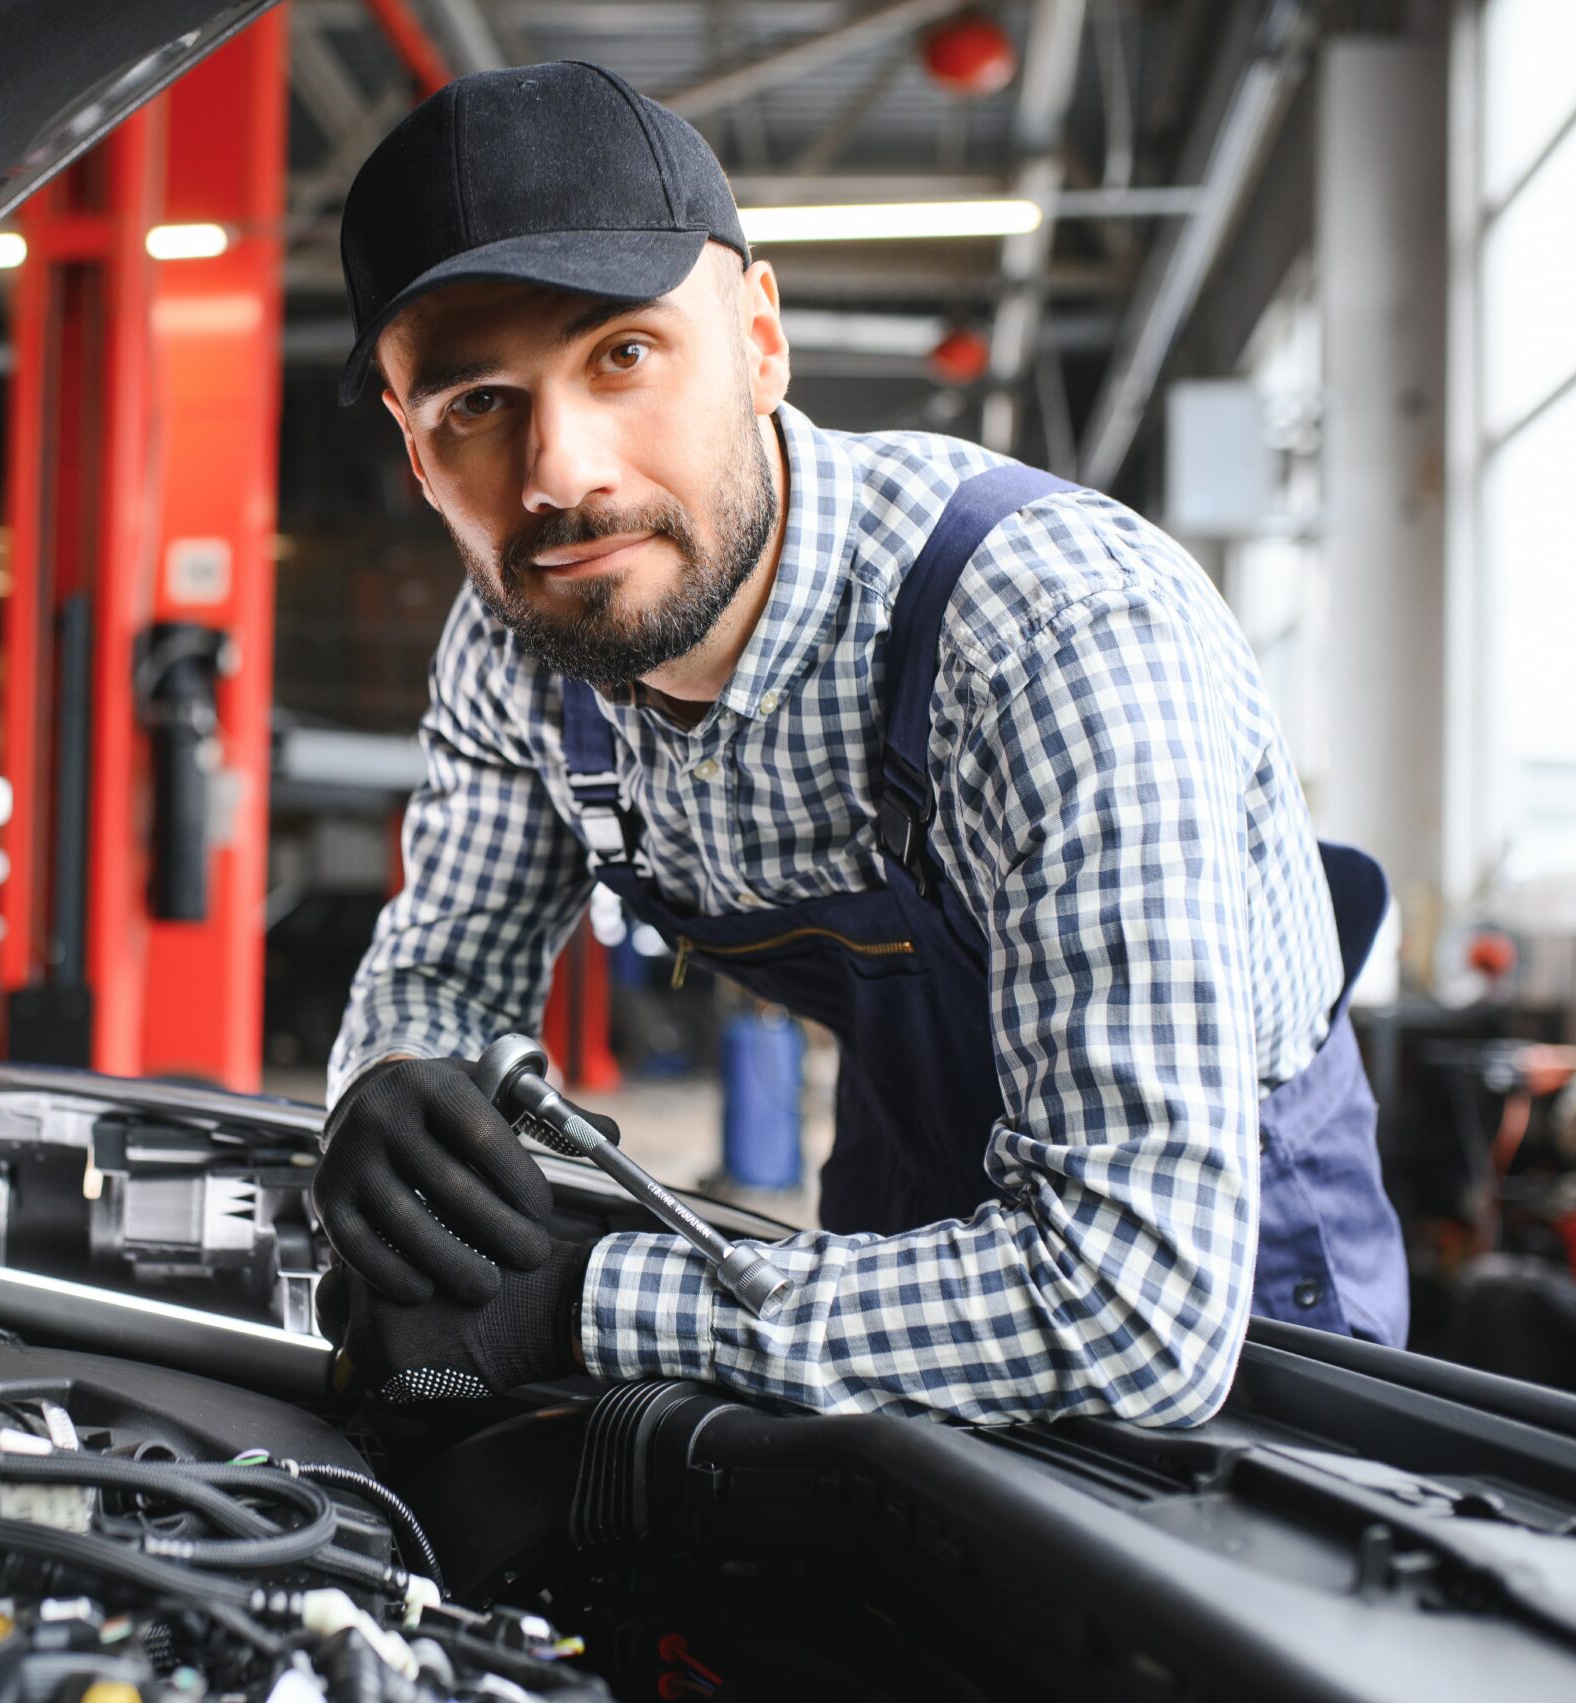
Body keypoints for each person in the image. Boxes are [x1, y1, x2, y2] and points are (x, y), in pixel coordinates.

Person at [312, 61, 1408, 1424]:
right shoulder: (525, 650)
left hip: (1230, 1239)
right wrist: (393, 1076)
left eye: (624, 355)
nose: (562, 474)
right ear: (417, 460)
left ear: (762, 343)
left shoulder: (1051, 635)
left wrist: (582, 1303)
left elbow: (1138, 1311)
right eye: (476, 406)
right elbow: (443, 973)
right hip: (904, 1161)